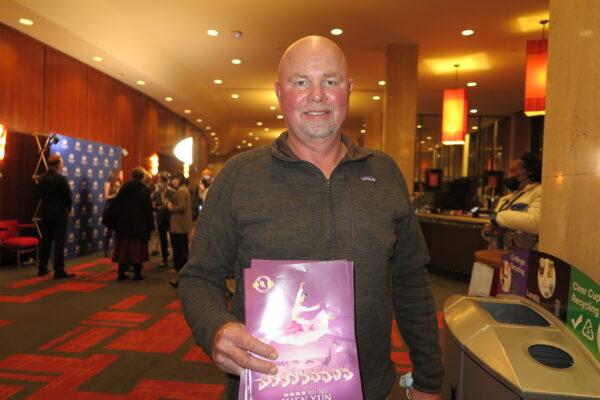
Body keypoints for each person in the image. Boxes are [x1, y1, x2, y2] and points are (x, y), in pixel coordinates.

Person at [178, 36, 443, 400]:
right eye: (300, 81)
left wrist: (429, 378)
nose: (316, 95)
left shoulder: (385, 174)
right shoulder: (240, 176)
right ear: (279, 92)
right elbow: (198, 276)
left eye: (330, 81)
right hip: (268, 388)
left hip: (370, 391)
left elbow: (411, 281)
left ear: (348, 90)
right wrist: (215, 328)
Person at [482, 152, 542, 250]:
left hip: (518, 260)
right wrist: (489, 230)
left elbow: (535, 222)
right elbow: (492, 225)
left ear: (527, 172)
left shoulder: (539, 191)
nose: (510, 176)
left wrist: (498, 219)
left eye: (513, 171)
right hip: (496, 254)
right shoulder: (508, 198)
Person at [111, 167, 154, 281]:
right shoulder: (144, 189)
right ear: (142, 177)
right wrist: (151, 225)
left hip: (124, 222)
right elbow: (147, 209)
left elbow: (117, 203)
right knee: (137, 249)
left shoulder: (124, 187)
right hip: (138, 223)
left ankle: (121, 273)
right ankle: (137, 274)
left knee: (124, 249)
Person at [36, 154, 75, 279]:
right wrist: (69, 208)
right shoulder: (61, 179)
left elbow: (41, 195)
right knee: (59, 242)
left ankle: (42, 268)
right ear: (58, 164)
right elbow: (67, 196)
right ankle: (59, 270)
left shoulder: (41, 178)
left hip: (45, 213)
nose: (62, 165)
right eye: (62, 162)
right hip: (59, 213)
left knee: (45, 241)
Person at [167, 172, 193, 287]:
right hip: (182, 225)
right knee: (181, 251)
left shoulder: (181, 191)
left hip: (179, 226)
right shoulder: (184, 189)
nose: (173, 181)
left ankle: (181, 277)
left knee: (180, 252)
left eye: (175, 179)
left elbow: (182, 207)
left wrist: (170, 208)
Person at [152, 173, 174, 268]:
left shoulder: (172, 192)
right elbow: (153, 206)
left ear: (166, 183)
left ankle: (174, 258)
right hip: (160, 219)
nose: (159, 183)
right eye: (158, 182)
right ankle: (164, 259)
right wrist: (160, 207)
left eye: (161, 182)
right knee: (163, 240)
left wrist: (164, 207)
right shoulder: (155, 194)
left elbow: (173, 204)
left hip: (171, 219)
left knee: (173, 239)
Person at [103, 169, 123, 257]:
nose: (122, 175)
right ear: (117, 175)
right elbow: (106, 197)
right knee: (109, 231)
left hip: (118, 208)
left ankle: (116, 250)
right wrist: (116, 194)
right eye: (121, 174)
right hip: (110, 209)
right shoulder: (108, 184)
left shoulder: (121, 184)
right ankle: (106, 251)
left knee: (118, 231)